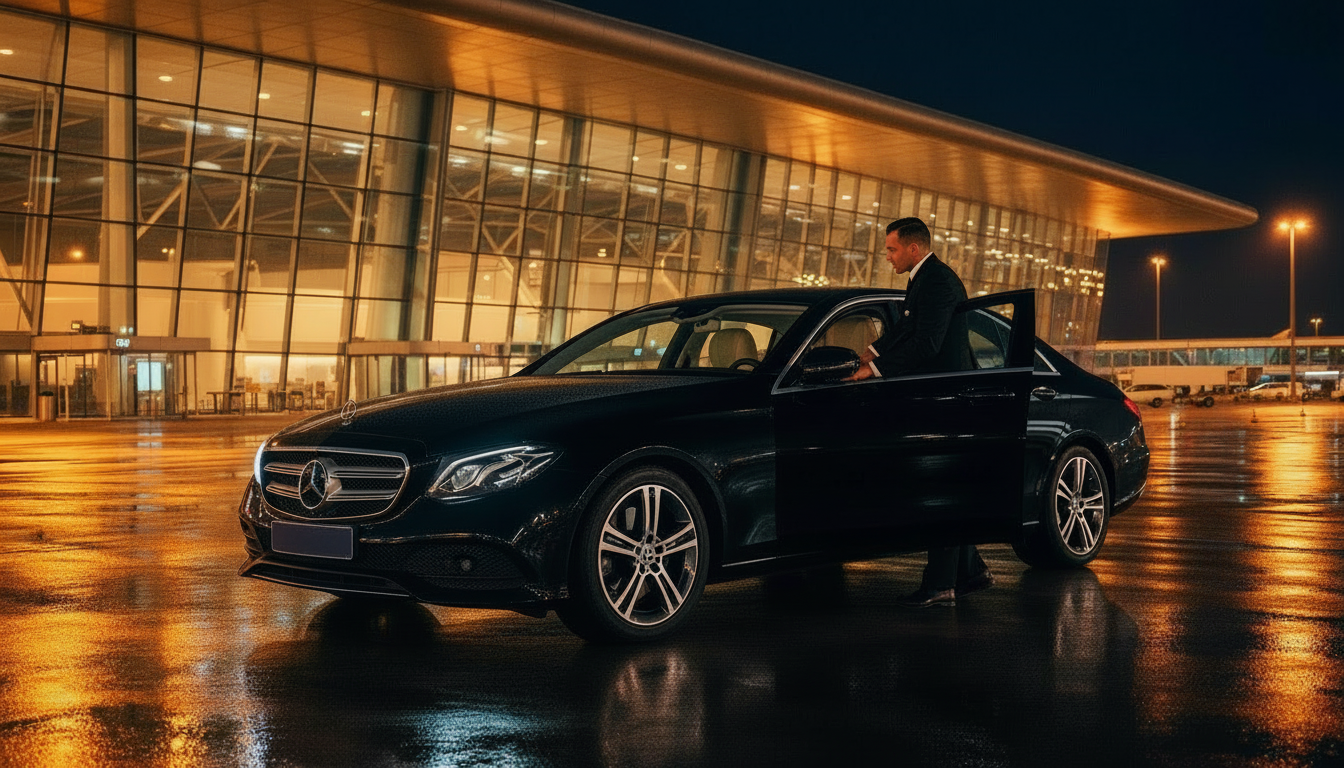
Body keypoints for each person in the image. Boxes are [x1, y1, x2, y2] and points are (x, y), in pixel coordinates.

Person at [848, 216, 991, 608]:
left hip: (946, 403)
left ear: (913, 248)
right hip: (938, 401)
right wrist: (872, 352)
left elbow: (927, 343)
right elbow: (906, 328)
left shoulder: (939, 282)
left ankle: (940, 585)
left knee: (940, 490)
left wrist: (875, 370)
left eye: (892, 249)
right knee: (945, 488)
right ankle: (971, 571)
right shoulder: (922, 279)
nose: (887, 256)